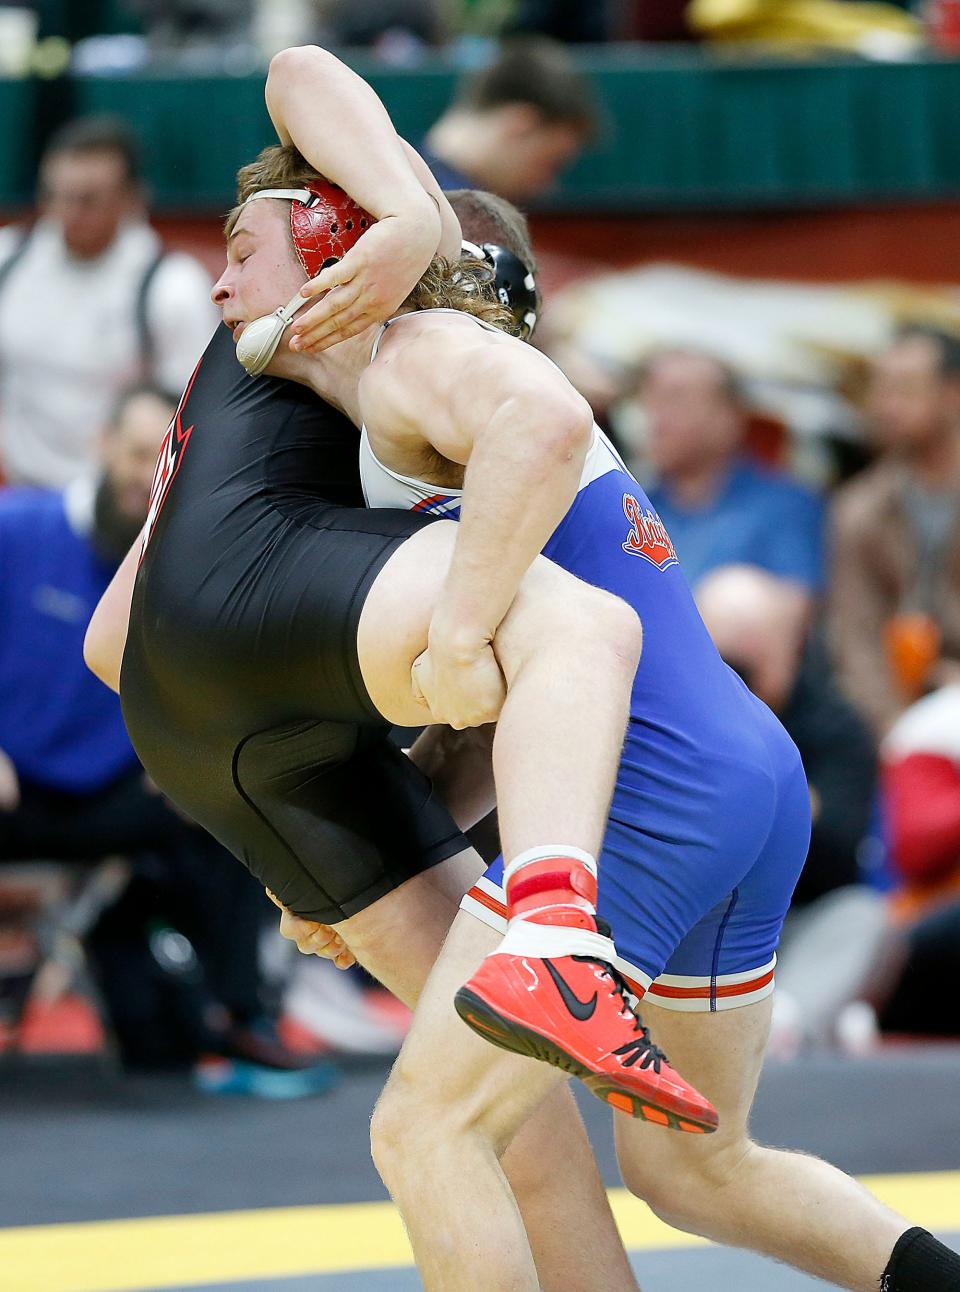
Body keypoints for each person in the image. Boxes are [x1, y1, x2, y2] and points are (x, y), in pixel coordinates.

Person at [217, 146, 953, 1291]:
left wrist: (447, 638)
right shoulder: (483, 384)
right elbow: (484, 735)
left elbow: (537, 444)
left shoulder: (429, 369)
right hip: (741, 770)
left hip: (649, 790)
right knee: (697, 1170)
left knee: (426, 1131)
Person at [84, 45, 699, 1292]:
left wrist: (298, 836)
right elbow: (301, 63)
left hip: (209, 717)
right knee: (578, 628)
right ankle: (562, 934)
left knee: (487, 1110)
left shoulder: (293, 359)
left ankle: (542, 967)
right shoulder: (373, 323)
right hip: (258, 611)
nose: (215, 286)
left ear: (326, 229)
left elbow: (110, 644)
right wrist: (464, 633)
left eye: (235, 252)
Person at [0, 384, 285, 1070]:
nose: (143, 475)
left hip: (111, 797)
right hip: (12, 790)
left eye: (161, 460)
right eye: (134, 454)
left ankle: (238, 1017)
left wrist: (184, 757)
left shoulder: (183, 563)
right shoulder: (17, 530)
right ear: (103, 445)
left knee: (237, 805)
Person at [695, 563, 889, 1053]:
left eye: (746, 669)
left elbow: (841, 855)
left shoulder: (834, 728)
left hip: (791, 925)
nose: (734, 685)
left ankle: (789, 1020)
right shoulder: (667, 718)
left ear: (790, 652)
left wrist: (749, 788)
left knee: (864, 917)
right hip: (693, 920)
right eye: (719, 665)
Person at [0, 115, 218, 487]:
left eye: (87, 200)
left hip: (119, 504)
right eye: (55, 195)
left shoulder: (173, 287)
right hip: (18, 494)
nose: (67, 211)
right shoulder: (7, 258)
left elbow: (192, 420)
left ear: (132, 199)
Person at [830, 325, 960, 739]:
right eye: (880, 388)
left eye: (905, 388)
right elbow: (855, 635)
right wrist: (896, 730)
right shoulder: (860, 508)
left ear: (952, 393)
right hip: (898, 715)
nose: (885, 405)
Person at [639, 348, 826, 605]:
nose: (656, 416)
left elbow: (789, 617)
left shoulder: (784, 507)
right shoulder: (633, 505)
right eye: (651, 399)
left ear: (729, 417)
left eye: (676, 398)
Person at [418, 36, 596, 199]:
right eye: (549, 163)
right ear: (521, 125)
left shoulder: (410, 179)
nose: (546, 184)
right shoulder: (440, 205)